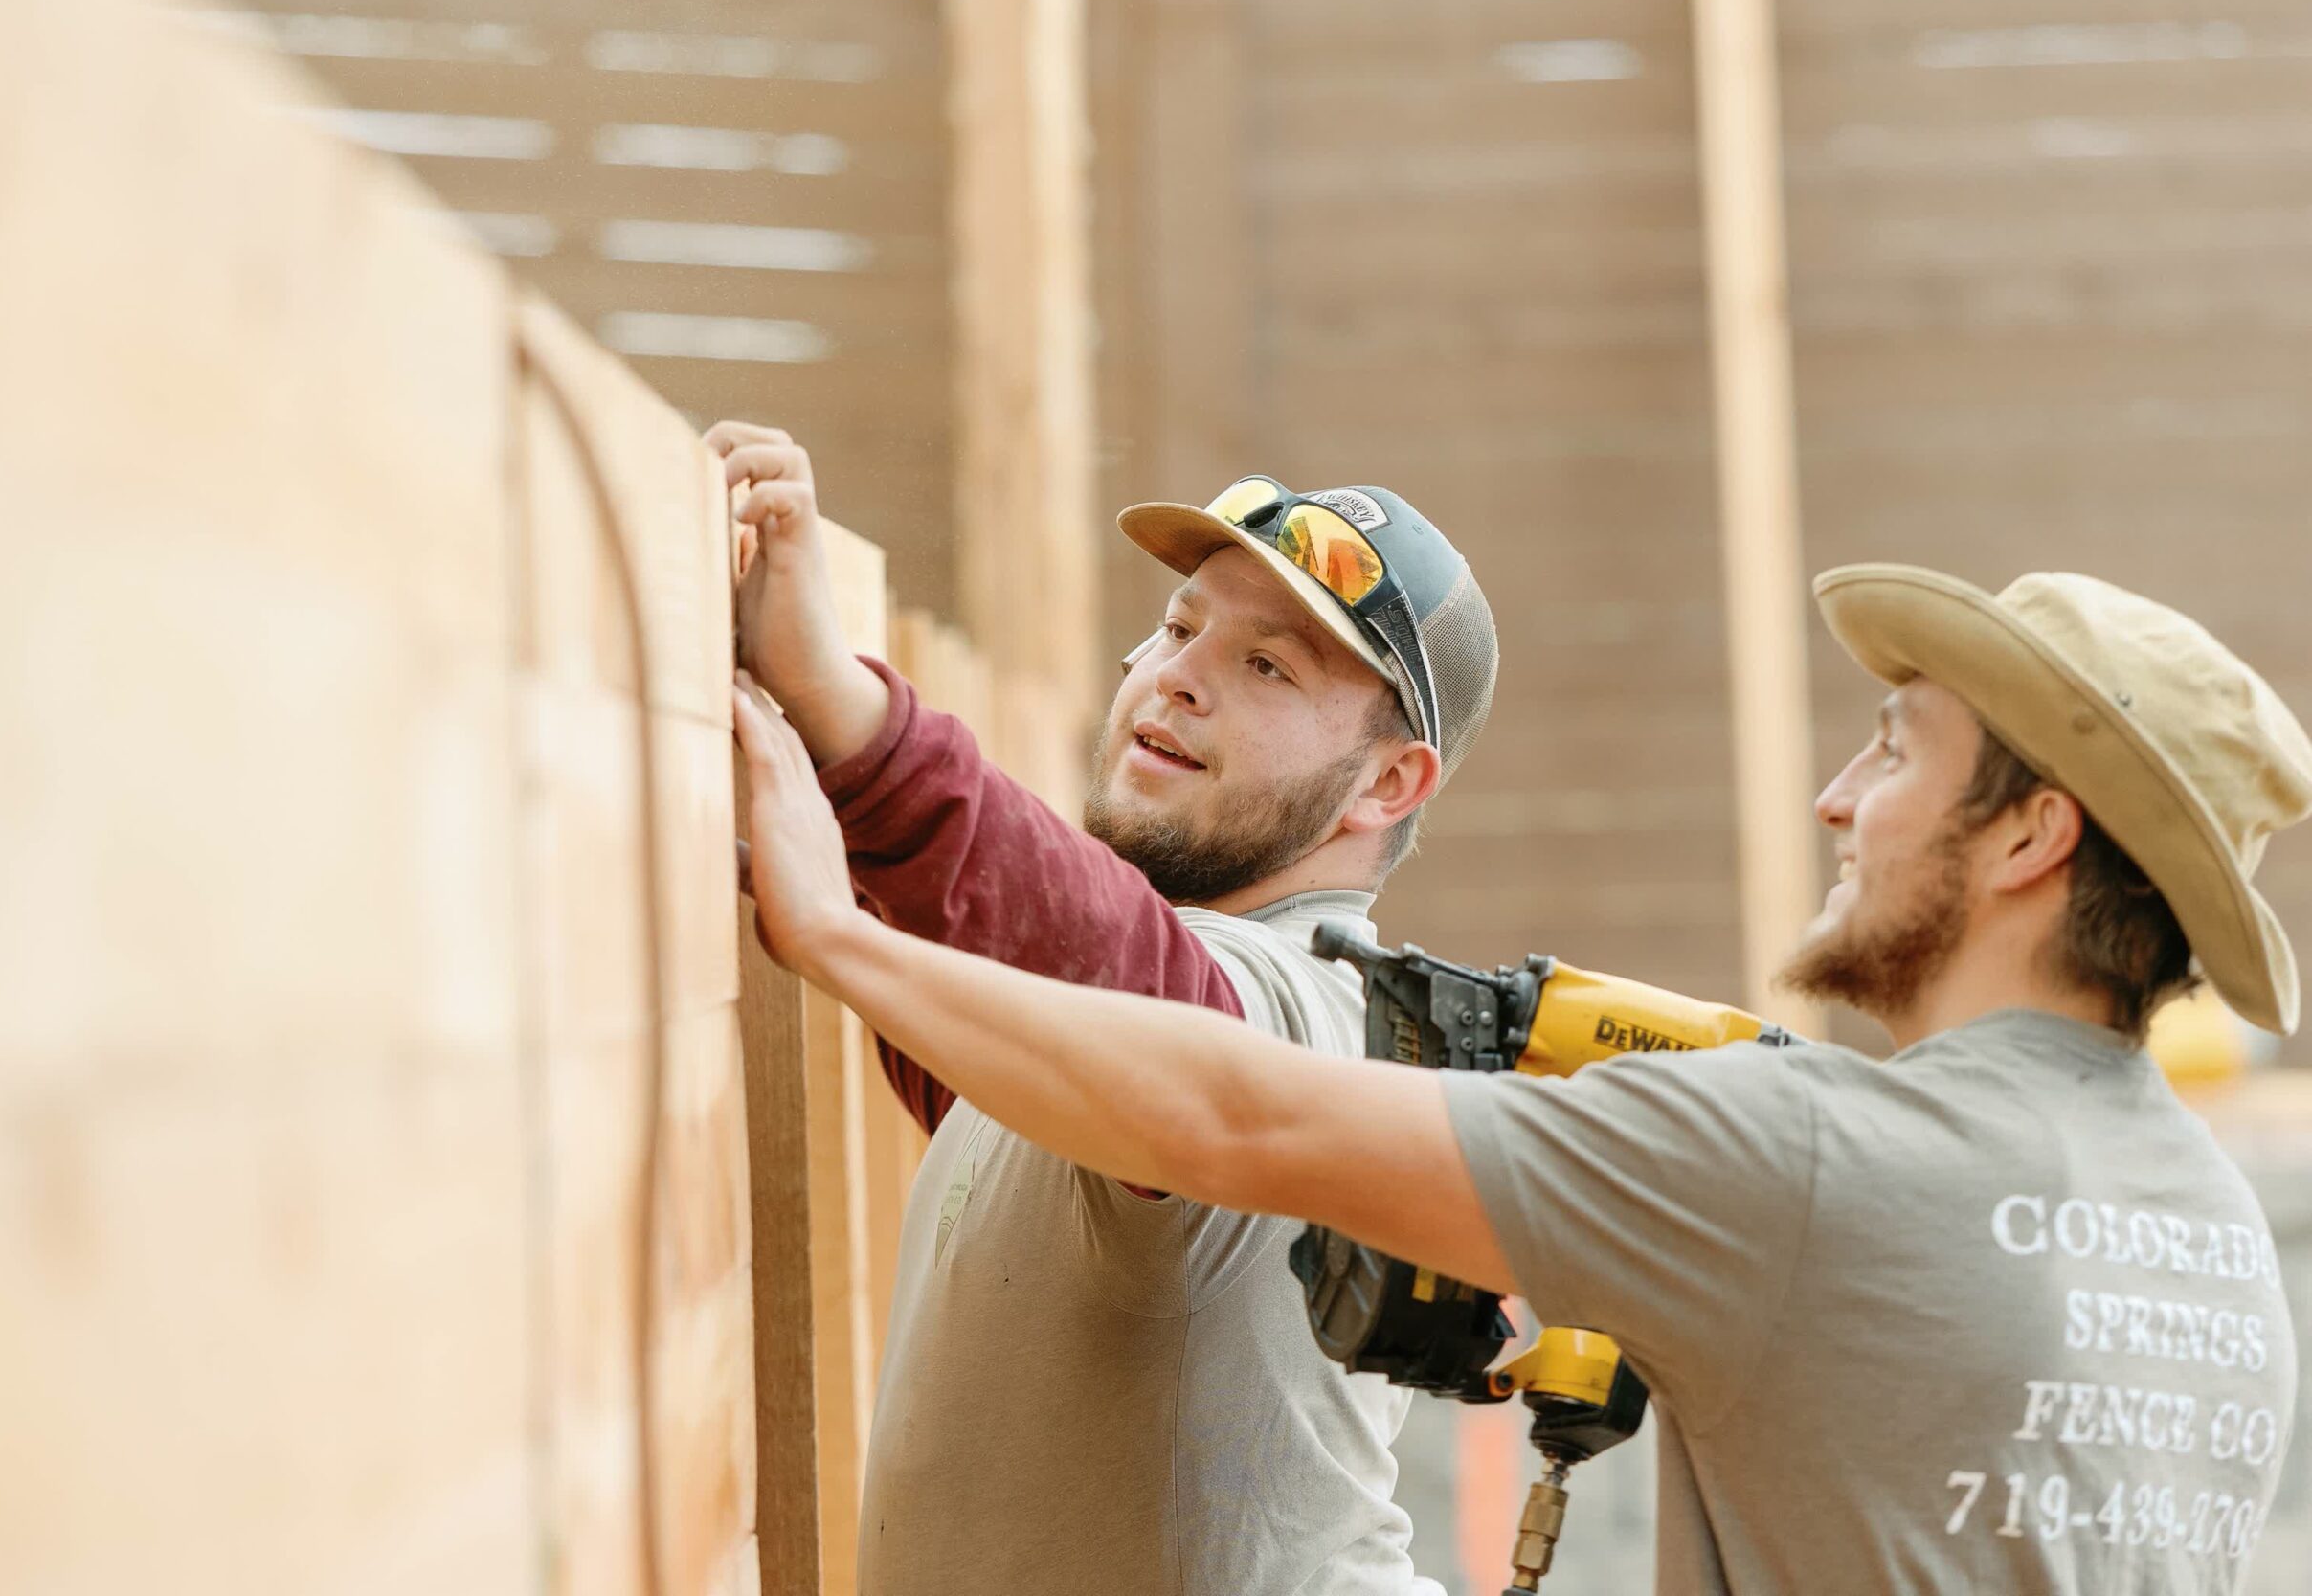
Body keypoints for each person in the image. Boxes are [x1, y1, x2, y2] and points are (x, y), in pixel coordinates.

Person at [736, 559, 2310, 1595]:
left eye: (1897, 752)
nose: (1840, 801)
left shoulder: (1808, 1156)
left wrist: (830, 921)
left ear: (2032, 840)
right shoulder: (2225, 1243)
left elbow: (1217, 1106)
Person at [707, 422, 1499, 1594]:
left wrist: (844, 710)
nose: (1177, 675)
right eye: (1181, 628)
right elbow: (1014, 1006)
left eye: (1266, 666)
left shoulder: (1324, 1017)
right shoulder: (1103, 1060)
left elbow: (1135, 982)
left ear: (1387, 783)